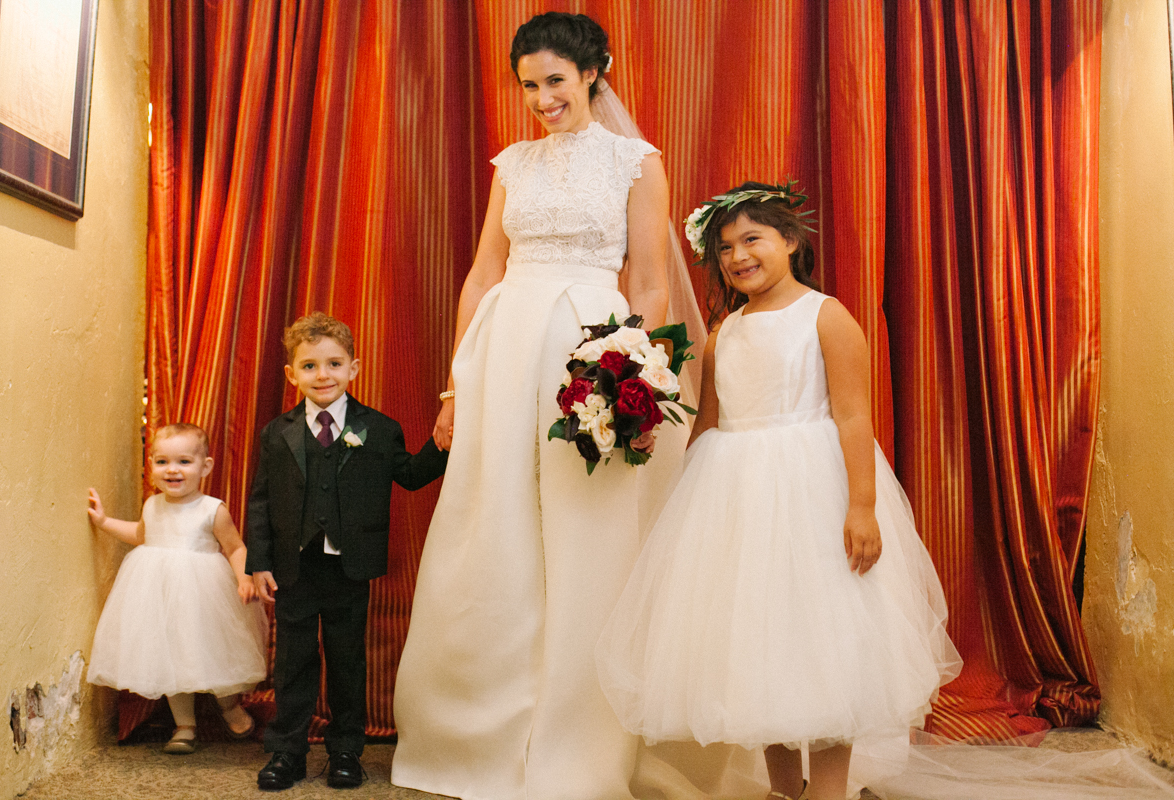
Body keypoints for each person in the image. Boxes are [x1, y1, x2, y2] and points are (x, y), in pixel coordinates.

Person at [391, 12, 689, 800]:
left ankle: (576, 746)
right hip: (502, 349)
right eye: (529, 84)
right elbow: (484, 272)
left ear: (596, 71)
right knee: (493, 528)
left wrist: (639, 377)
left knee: (584, 537)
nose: (541, 98)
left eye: (555, 80)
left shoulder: (637, 162)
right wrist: (456, 383)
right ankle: (479, 736)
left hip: (588, 356)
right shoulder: (512, 164)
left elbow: (652, 282)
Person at [595, 182, 963, 800]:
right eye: (725, 248)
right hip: (736, 501)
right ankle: (783, 790)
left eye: (752, 239)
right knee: (755, 648)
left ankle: (829, 792)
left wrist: (863, 506)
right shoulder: (724, 332)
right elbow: (710, 422)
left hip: (811, 494)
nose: (737, 256)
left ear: (790, 241)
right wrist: (679, 497)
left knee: (824, 644)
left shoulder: (825, 314)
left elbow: (853, 417)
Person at [245, 312, 448, 791]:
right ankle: (287, 752)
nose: (323, 375)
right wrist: (260, 562)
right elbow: (260, 501)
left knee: (346, 660)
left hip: (348, 566)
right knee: (292, 661)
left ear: (354, 368)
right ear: (293, 374)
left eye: (334, 364)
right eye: (310, 366)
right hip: (293, 567)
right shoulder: (278, 433)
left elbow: (413, 475)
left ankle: (345, 752)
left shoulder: (378, 428)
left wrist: (443, 444)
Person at [86, 423, 266, 755]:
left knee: (215, 652)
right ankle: (184, 725)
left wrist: (243, 577)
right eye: (162, 461)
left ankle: (229, 707)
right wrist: (104, 522)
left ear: (205, 467)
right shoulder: (152, 505)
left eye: (184, 461)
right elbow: (142, 535)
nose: (172, 470)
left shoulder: (212, 509)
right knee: (169, 656)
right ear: (151, 465)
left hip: (203, 596)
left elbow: (236, 547)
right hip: (158, 595)